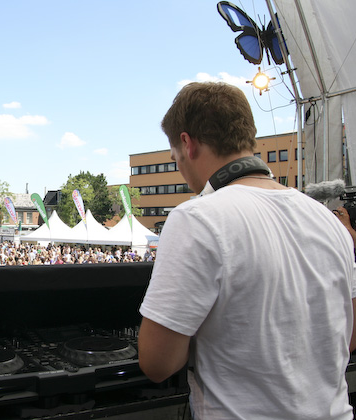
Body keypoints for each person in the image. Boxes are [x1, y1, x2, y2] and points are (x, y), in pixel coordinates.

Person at [137, 82, 356, 419]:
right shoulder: (329, 221)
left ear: (187, 143)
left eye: (174, 157)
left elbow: (157, 363)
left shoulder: (196, 218)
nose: (178, 167)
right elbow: (350, 336)